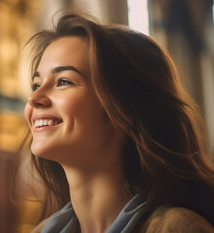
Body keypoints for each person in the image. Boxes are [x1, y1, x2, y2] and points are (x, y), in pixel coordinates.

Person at [12, 12, 214, 233]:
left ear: (124, 109)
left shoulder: (177, 228)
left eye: (63, 81)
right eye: (36, 84)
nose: (33, 98)